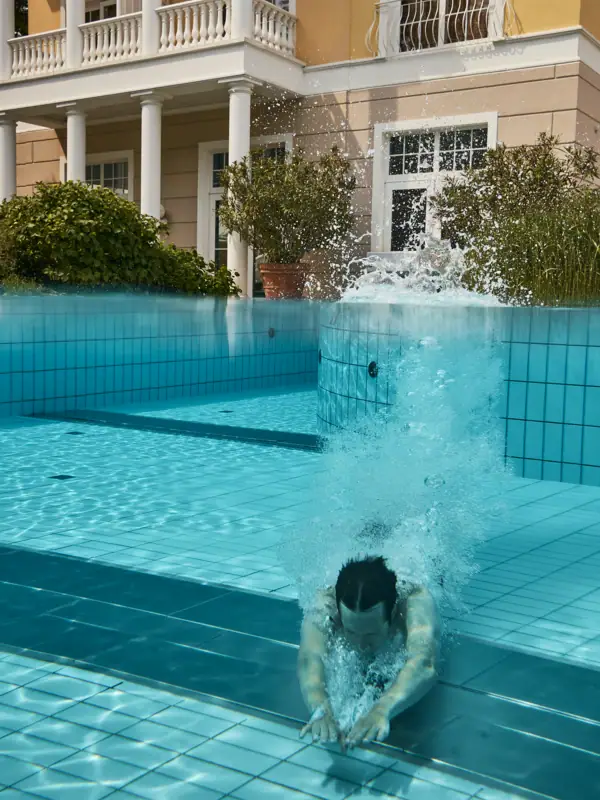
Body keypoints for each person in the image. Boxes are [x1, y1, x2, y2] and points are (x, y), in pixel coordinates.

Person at [297, 552, 440, 750]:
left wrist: (382, 709)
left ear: (392, 612)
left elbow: (424, 661)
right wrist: (320, 708)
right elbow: (309, 656)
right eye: (351, 631)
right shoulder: (326, 603)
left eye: (371, 634)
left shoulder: (414, 600)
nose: (360, 644)